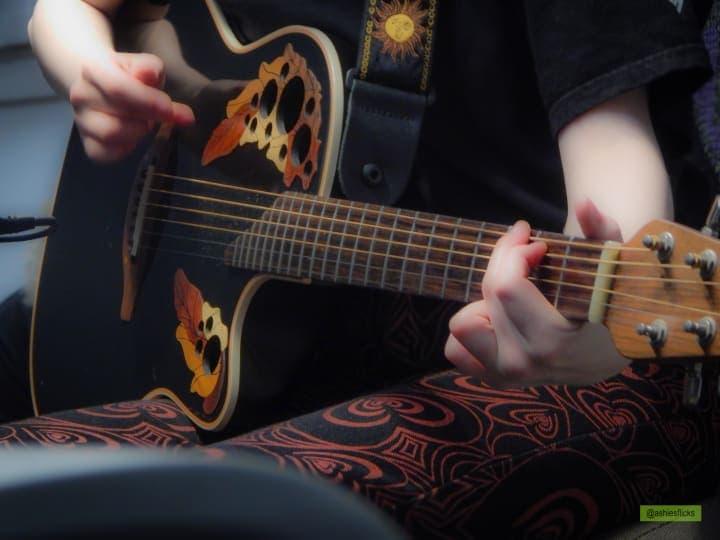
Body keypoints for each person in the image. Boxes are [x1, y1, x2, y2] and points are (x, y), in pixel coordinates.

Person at [0, 0, 716, 537]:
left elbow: (618, 178)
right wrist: (90, 70)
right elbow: (65, 10)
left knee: (186, 514)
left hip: (547, 366)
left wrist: (591, 329)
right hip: (245, 343)